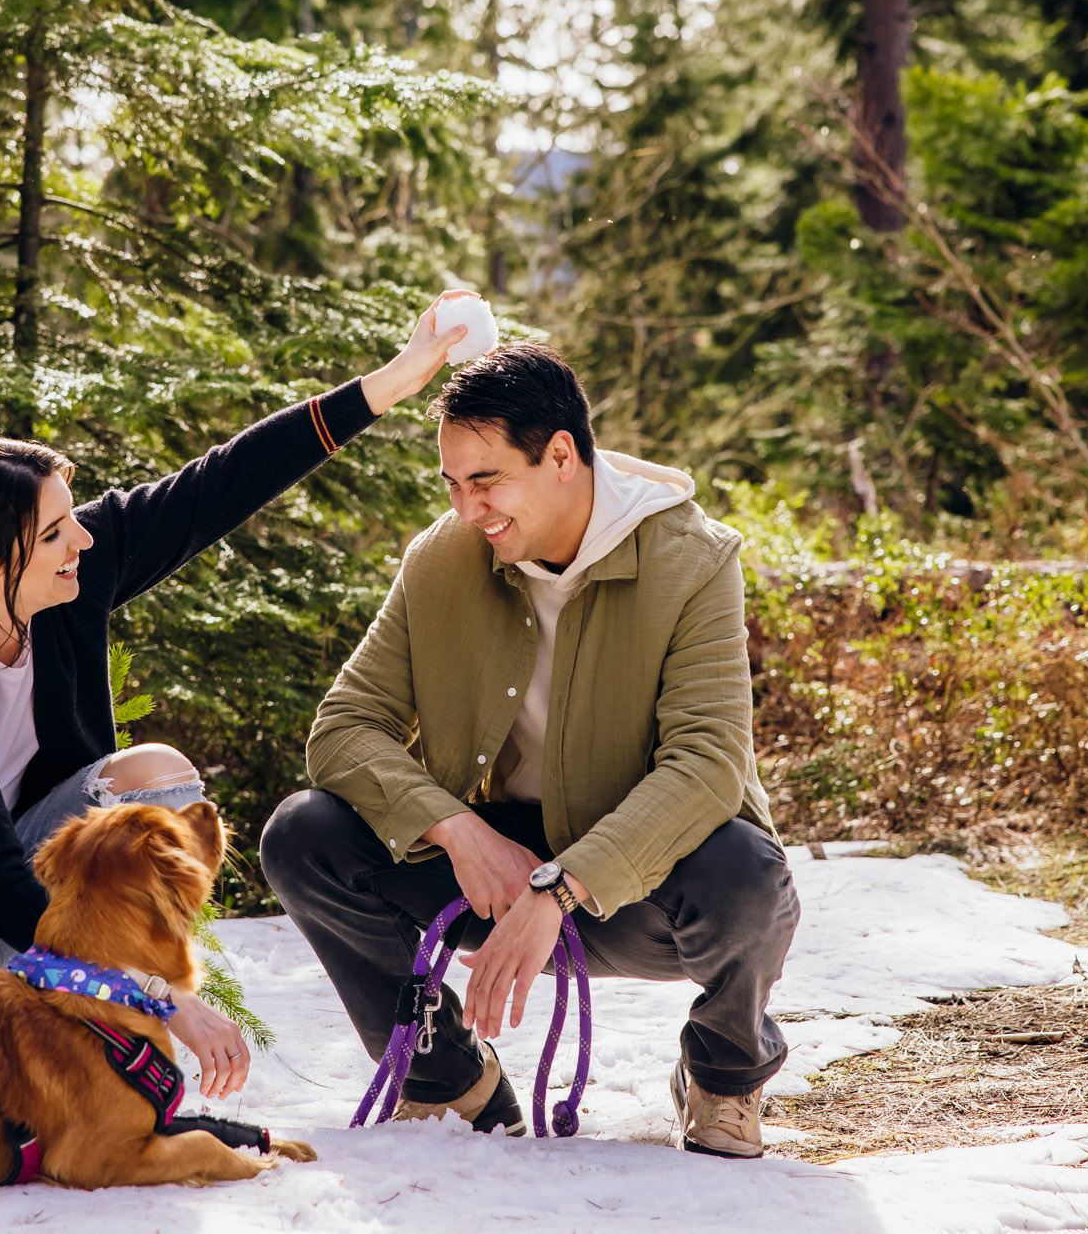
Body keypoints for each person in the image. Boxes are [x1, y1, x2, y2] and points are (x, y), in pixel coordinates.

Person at [0, 294, 474, 1099]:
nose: (85, 541)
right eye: (58, 532)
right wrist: (160, 1000)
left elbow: (219, 484)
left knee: (155, 779)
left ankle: (63, 1004)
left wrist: (392, 381)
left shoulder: (68, 583)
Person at [261, 344, 800, 1155]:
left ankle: (724, 1076)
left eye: (486, 481)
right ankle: (448, 1080)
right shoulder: (441, 557)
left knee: (749, 877)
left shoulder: (693, 560)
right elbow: (344, 726)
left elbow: (707, 764)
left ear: (559, 456)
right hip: (489, 877)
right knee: (304, 834)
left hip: (636, 886)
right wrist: (455, 829)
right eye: (452, 484)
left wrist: (562, 889)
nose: (468, 508)